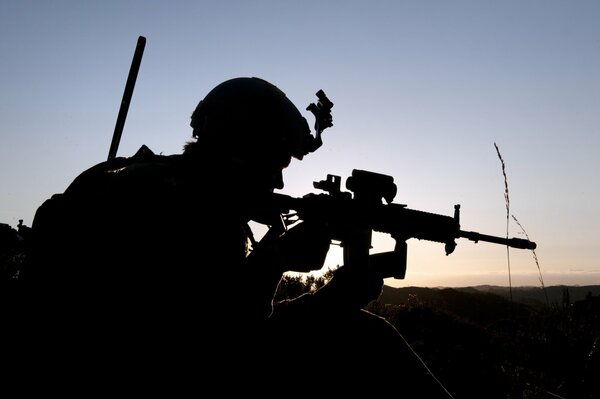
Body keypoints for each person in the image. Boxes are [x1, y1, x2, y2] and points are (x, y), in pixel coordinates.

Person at [18, 77, 452, 396]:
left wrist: (321, 292)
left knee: (355, 327)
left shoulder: (179, 187)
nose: (282, 178)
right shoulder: (176, 203)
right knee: (364, 338)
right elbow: (211, 346)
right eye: (277, 159)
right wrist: (275, 263)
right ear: (243, 148)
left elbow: (214, 311)